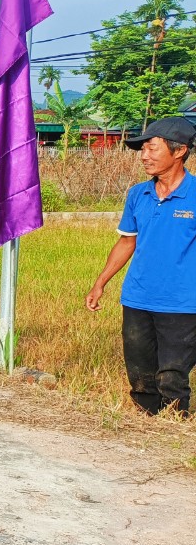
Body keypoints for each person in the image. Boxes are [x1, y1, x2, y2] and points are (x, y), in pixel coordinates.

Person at [86, 117, 196, 416]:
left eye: (152, 148)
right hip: (138, 297)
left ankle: (175, 419)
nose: (144, 156)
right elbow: (127, 242)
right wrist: (101, 282)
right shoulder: (138, 194)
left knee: (172, 372)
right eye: (142, 149)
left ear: (180, 151)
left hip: (183, 302)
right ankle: (147, 418)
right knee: (140, 370)